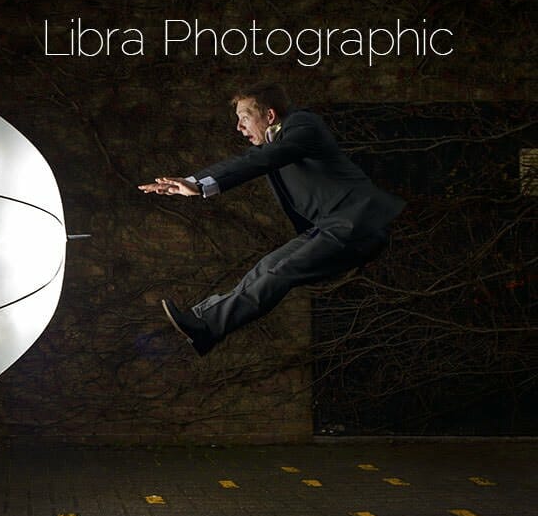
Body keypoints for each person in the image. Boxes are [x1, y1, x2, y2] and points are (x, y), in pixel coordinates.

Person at [139, 82, 405, 356]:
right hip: (329, 227)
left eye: (244, 117)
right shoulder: (275, 143)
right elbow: (241, 162)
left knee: (283, 271)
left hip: (358, 223)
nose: (239, 128)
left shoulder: (303, 126)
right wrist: (192, 182)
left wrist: (199, 185)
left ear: (270, 116)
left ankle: (208, 325)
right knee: (268, 266)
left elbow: (263, 160)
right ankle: (203, 326)